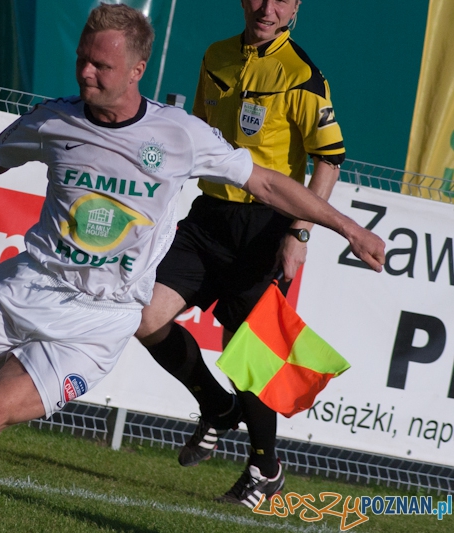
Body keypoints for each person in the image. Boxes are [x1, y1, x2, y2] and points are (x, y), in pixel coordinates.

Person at [0, 3, 383, 522]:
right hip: (30, 286)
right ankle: (1, 354)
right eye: (83, 59)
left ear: (137, 70)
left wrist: (347, 229)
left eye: (101, 65)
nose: (86, 72)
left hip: (99, 322)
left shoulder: (179, 133)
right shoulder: (55, 119)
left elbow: (268, 182)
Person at [135, 0, 346, 508]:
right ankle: (216, 405)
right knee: (144, 316)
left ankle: (265, 468)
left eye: (281, 0)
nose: (267, 8)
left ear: (296, 7)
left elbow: (330, 160)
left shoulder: (304, 76)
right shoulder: (217, 55)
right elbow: (197, 132)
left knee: (246, 355)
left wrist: (299, 233)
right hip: (208, 217)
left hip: (265, 227)